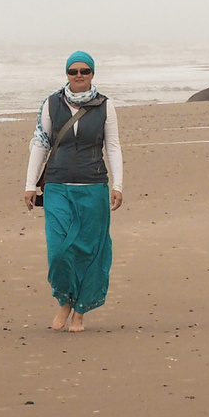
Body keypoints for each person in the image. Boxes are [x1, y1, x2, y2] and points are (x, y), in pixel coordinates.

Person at [23, 50, 124, 333]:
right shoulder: (51, 104)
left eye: (84, 71)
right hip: (57, 187)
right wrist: (30, 185)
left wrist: (118, 185)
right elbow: (40, 144)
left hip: (93, 187)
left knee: (91, 250)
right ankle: (64, 300)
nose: (79, 75)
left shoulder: (105, 105)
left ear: (92, 74)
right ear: (66, 74)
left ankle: (80, 310)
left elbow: (112, 146)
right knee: (58, 250)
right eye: (73, 71)